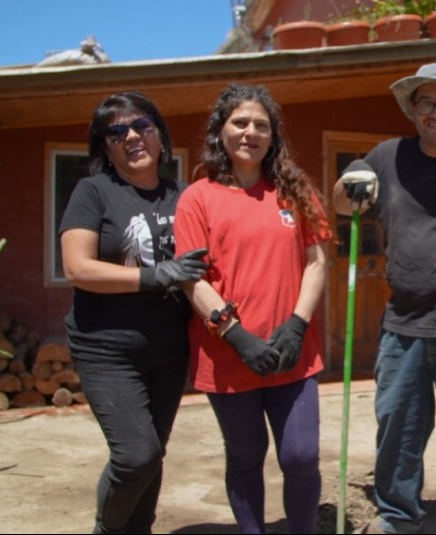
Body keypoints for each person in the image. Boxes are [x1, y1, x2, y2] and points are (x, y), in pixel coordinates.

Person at [331, 62, 436, 535]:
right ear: (413, 110)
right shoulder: (388, 156)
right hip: (401, 324)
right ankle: (398, 517)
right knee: (397, 430)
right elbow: (345, 203)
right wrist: (351, 183)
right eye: (426, 102)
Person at [173, 83, 332, 534]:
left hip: (292, 353)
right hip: (228, 355)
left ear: (273, 135)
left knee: (300, 456)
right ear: (221, 131)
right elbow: (191, 276)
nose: (250, 132)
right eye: (240, 122)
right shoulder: (197, 198)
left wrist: (298, 324)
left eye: (261, 125)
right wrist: (235, 334)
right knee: (245, 455)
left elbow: (317, 261)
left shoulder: (295, 191)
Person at [59, 91, 208, 534]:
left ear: (160, 135)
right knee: (136, 454)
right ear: (105, 147)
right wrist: (154, 275)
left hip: (169, 347)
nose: (132, 136)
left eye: (142, 126)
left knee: (154, 454)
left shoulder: (185, 195)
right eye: (116, 131)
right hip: (106, 347)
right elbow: (77, 267)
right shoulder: (94, 191)